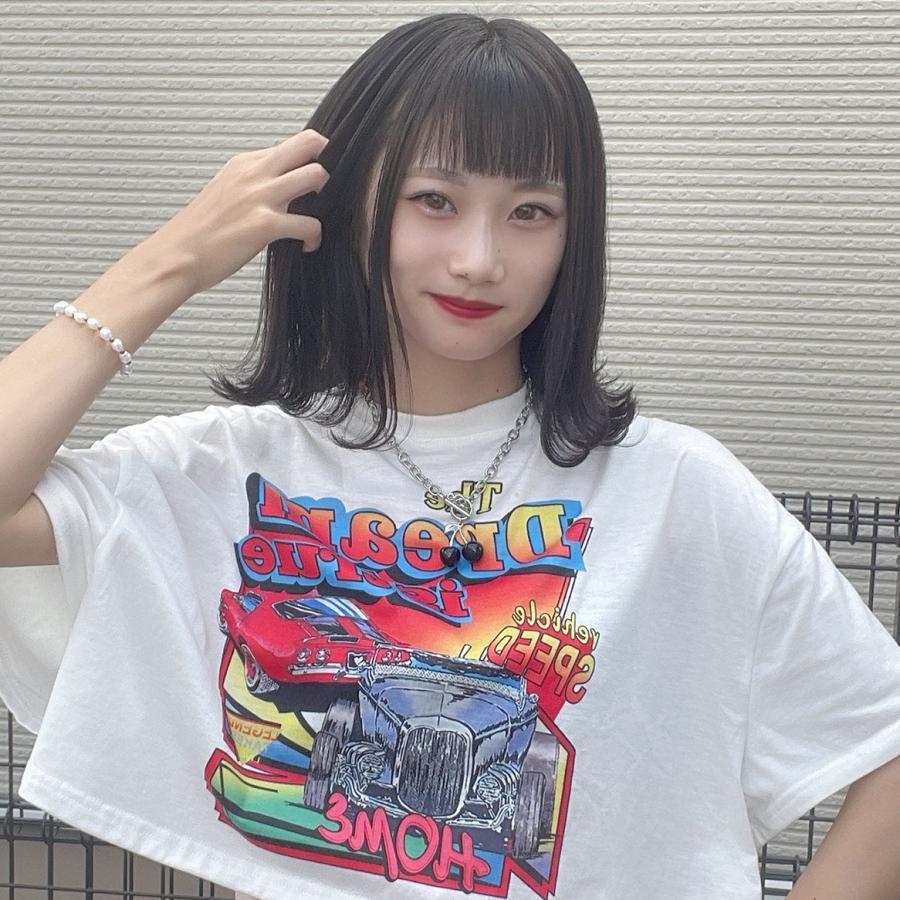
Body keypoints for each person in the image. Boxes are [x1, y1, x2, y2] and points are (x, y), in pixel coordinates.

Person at [1, 12, 899, 900]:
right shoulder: (218, 471)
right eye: (434, 200)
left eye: (531, 212)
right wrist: (171, 261)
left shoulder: (679, 491)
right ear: (351, 204)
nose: (479, 259)